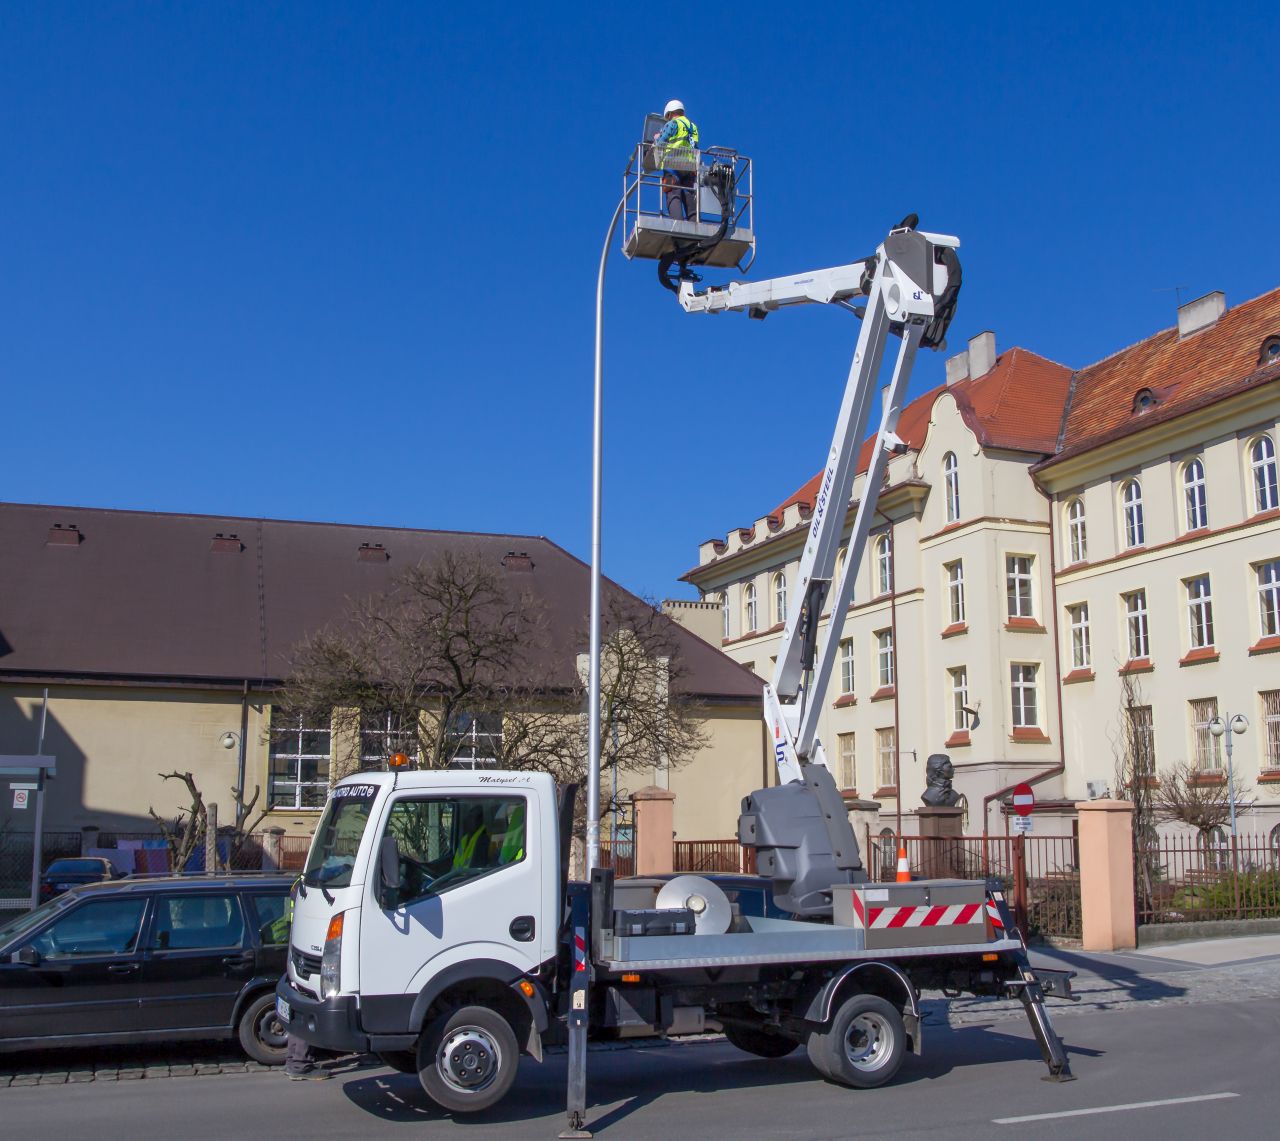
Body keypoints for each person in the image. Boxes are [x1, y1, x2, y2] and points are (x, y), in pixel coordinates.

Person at [282, 876, 331, 1081]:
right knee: (305, 1006)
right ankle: (299, 1063)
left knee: (297, 1006)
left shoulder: (299, 885)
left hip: (297, 950)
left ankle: (294, 1059)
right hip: (308, 953)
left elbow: (287, 920)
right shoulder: (321, 884)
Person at [653, 99, 699, 221]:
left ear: (669, 113)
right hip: (689, 166)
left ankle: (677, 224)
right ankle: (694, 223)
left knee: (672, 193)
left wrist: (657, 138)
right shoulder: (692, 127)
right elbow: (695, 146)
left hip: (673, 164)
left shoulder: (672, 124)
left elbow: (661, 142)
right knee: (689, 194)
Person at [452, 806, 491, 871]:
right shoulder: (464, 839)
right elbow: (454, 866)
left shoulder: (483, 840)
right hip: (457, 877)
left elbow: (476, 870)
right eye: (468, 817)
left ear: (479, 821)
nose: (467, 820)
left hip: (469, 879)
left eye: (471, 817)